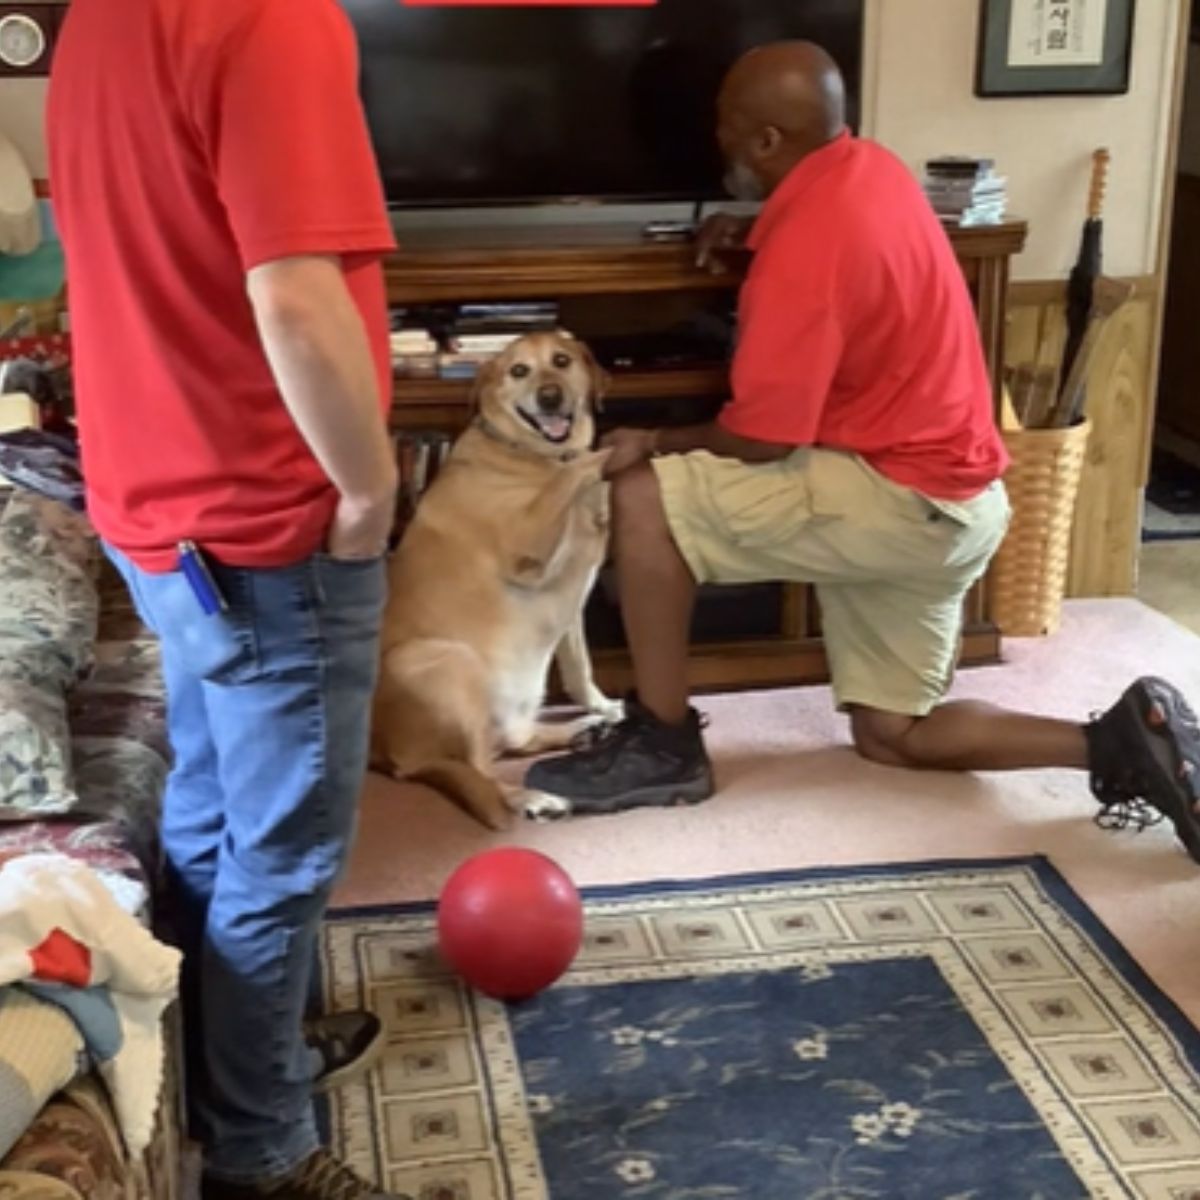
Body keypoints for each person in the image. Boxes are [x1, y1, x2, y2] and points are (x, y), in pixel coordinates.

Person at [526, 41, 1200, 866]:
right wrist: (757, 229)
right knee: (894, 736)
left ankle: (664, 744)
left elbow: (762, 438)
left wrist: (654, 437)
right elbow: (845, 262)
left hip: (894, 500)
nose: (719, 140)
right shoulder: (870, 170)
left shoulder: (805, 253)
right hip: (959, 508)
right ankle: (1125, 742)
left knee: (640, 495)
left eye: (729, 127)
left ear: (769, 141)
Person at [48, 0, 411, 1196]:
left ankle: (228, 1070)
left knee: (209, 813)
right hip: (264, 522)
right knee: (283, 854)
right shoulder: (273, 20)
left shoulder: (102, 17)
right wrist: (366, 488)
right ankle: (262, 1151)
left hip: (159, 505)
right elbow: (296, 300)